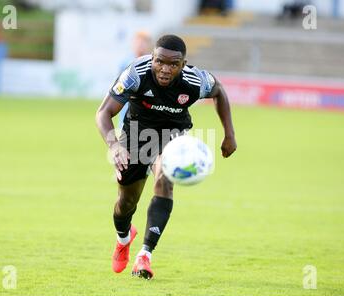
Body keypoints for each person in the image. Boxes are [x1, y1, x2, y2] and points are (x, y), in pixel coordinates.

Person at [95, 34, 237, 280]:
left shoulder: (196, 80)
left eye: (174, 64)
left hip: (173, 134)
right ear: (152, 58)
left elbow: (219, 91)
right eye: (160, 62)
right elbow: (103, 113)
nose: (165, 69)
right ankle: (124, 239)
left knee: (164, 178)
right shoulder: (136, 73)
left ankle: (145, 256)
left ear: (183, 64)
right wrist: (114, 145)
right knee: (126, 202)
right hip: (136, 134)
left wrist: (229, 134)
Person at [118, 31, 152, 129]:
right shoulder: (125, 63)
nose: (140, 45)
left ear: (148, 45)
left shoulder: (153, 63)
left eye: (143, 42)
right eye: (138, 42)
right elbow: (118, 86)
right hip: (127, 110)